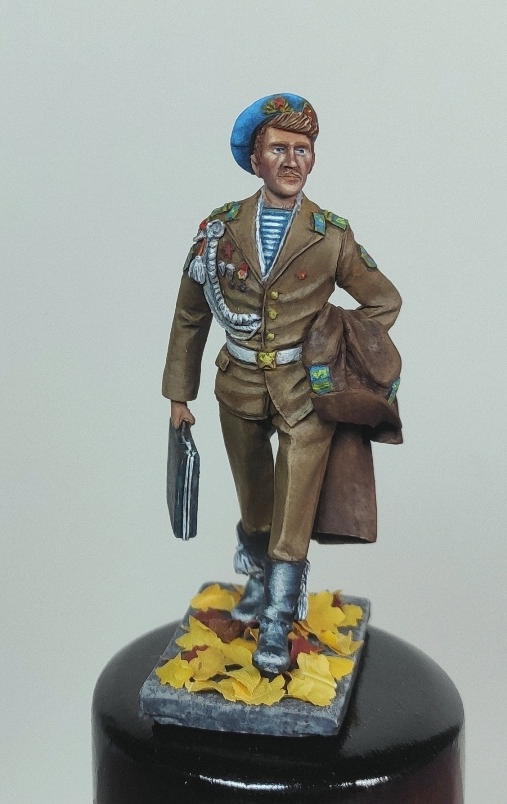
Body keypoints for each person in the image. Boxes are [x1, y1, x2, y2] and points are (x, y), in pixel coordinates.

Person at [162, 93, 401, 675]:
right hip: (239, 383)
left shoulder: (331, 234)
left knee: (295, 507)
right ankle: (259, 578)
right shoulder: (219, 228)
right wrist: (179, 394)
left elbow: (384, 301)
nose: (293, 161)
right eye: (279, 149)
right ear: (255, 160)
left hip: (303, 390)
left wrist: (333, 343)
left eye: (303, 149)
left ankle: (278, 612)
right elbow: (191, 313)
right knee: (255, 500)